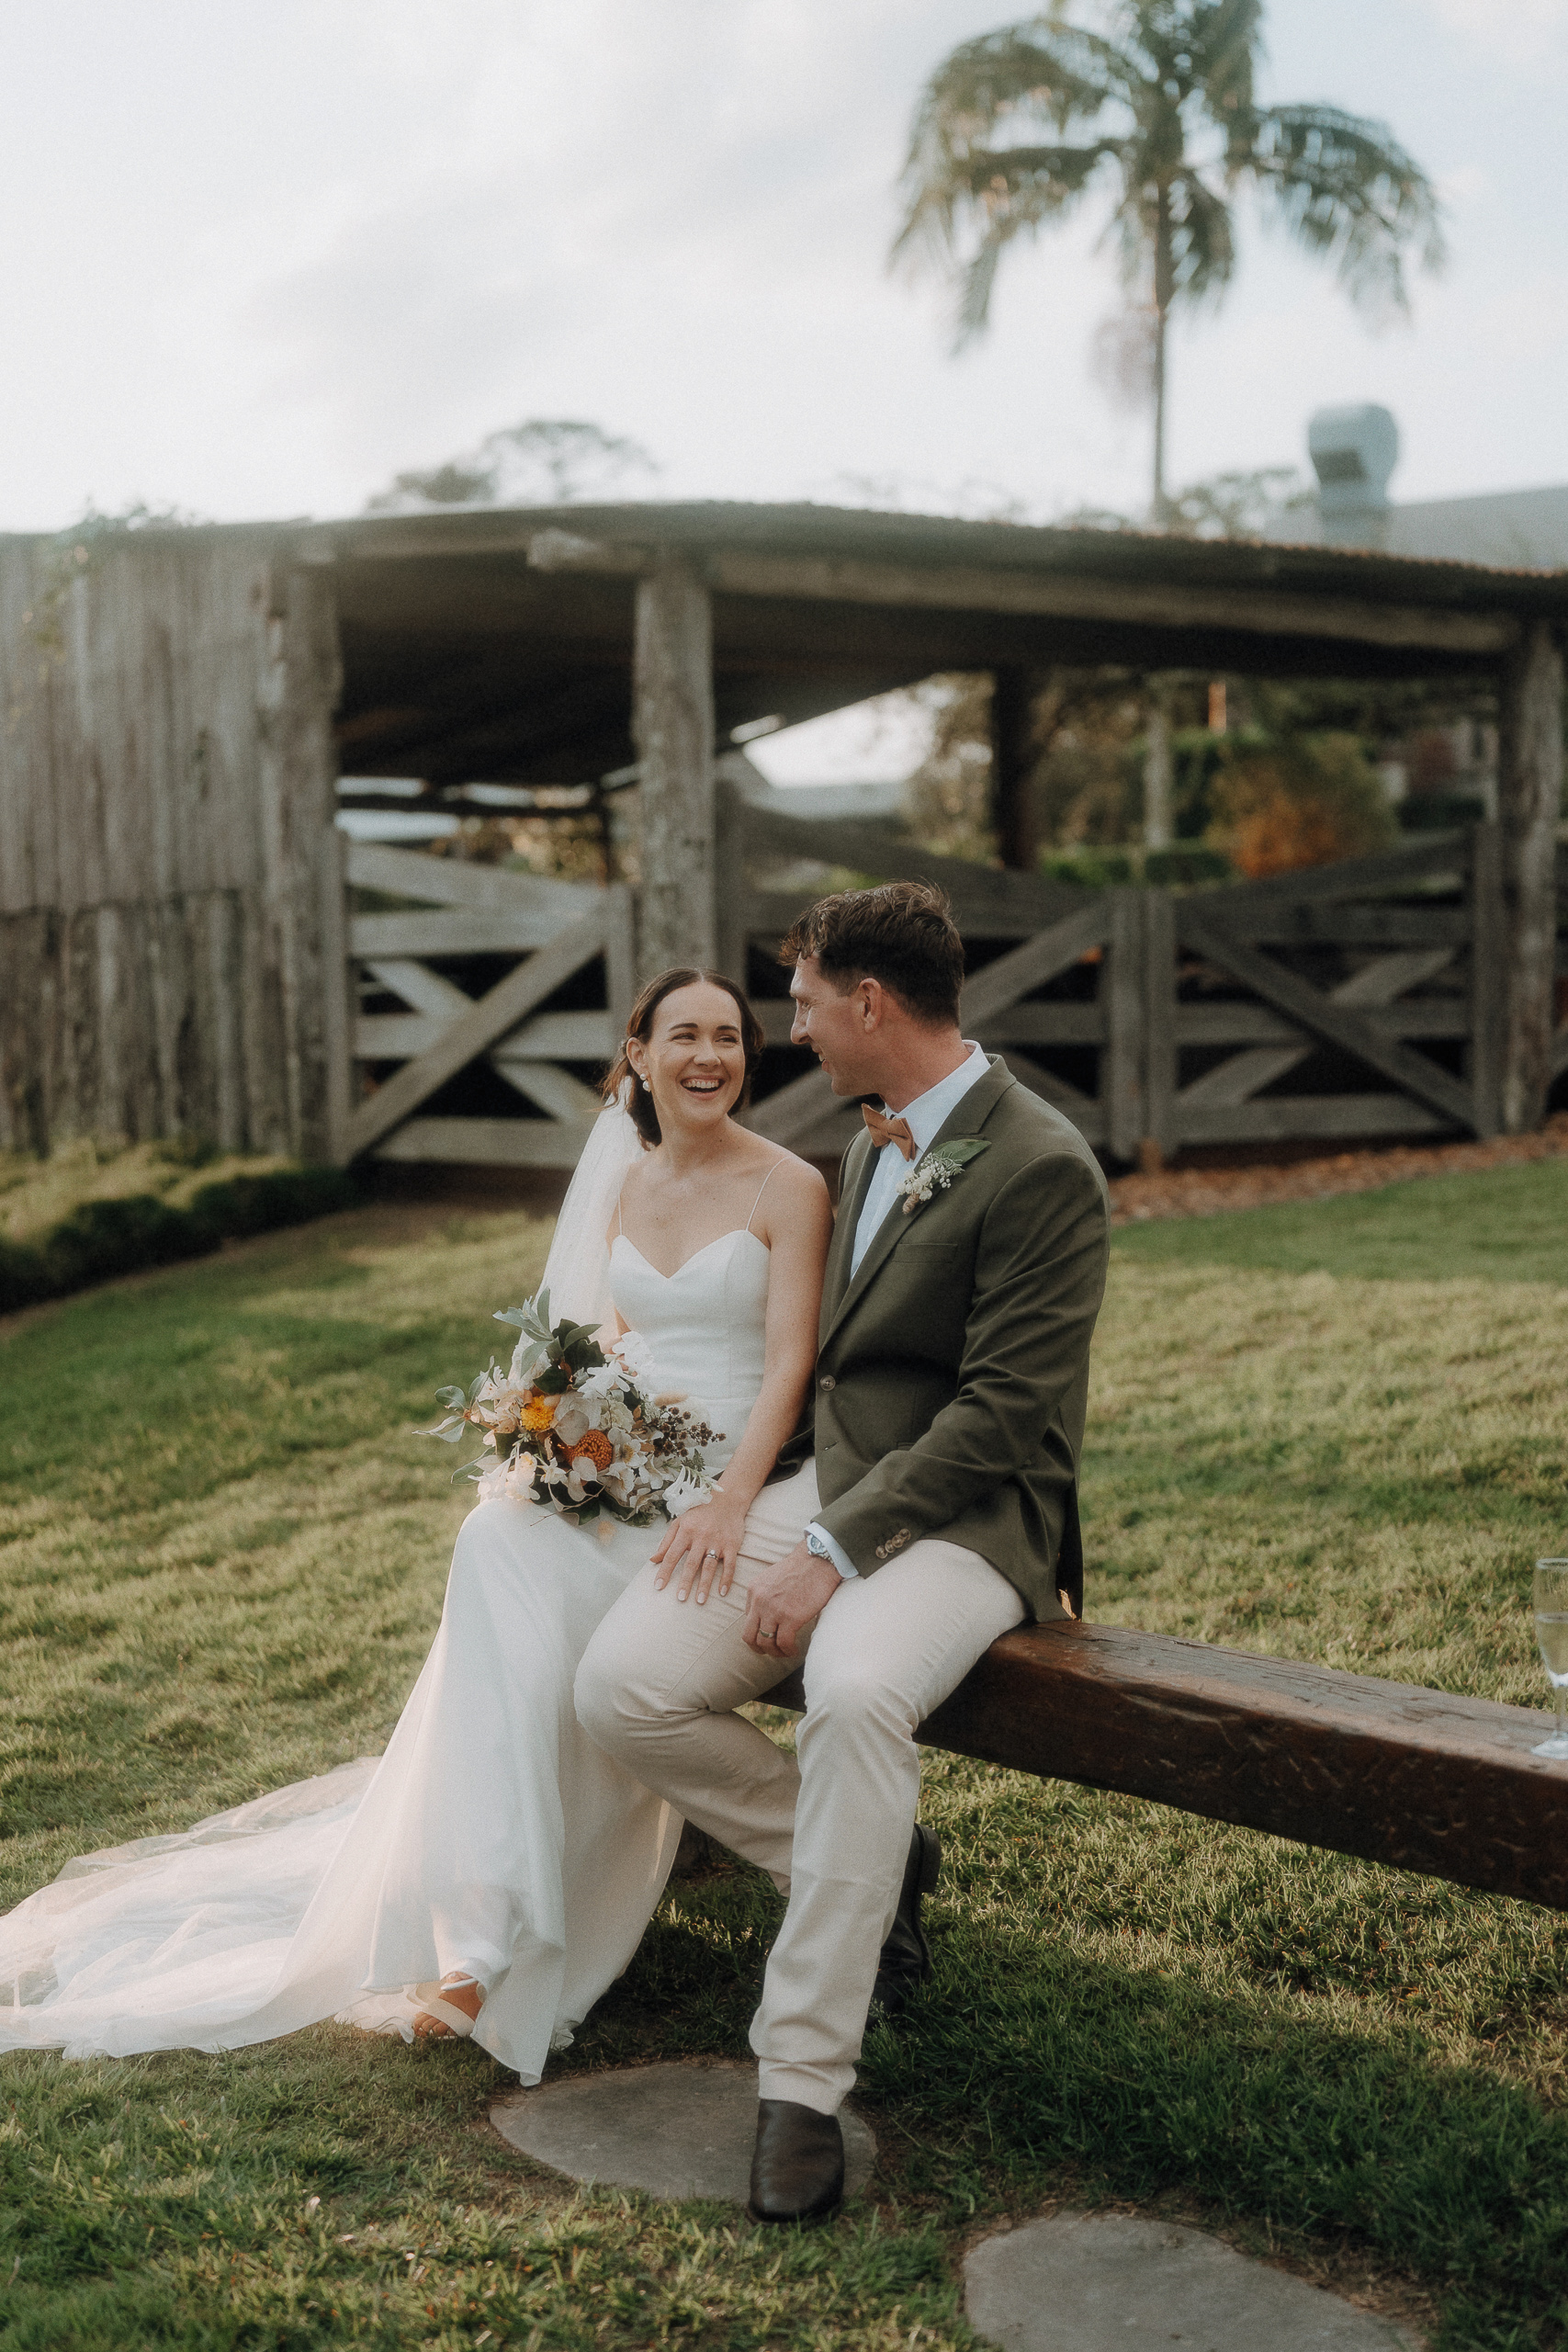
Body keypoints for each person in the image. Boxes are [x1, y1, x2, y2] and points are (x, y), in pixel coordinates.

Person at [0, 969, 832, 2075]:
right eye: (684, 1034)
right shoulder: (621, 1184)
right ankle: (475, 1939)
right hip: (629, 1473)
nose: (709, 1057)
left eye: (729, 1037)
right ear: (637, 1052)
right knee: (495, 1541)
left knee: (542, 1604)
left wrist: (728, 1502)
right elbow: (601, 1351)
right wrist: (565, 1443)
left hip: (732, 1486)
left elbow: (789, 1365)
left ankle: (510, 1932)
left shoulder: (788, 1185)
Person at [575, 880, 1111, 2226]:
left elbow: (999, 1413)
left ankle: (800, 2083)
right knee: (620, 1687)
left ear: (868, 1002)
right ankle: (872, 1864)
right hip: (833, 1485)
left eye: (805, 1004)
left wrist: (828, 1542)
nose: (793, 1031)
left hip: (970, 1517)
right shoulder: (873, 1139)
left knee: (858, 1694)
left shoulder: (1041, 1164)